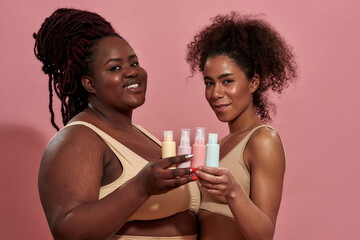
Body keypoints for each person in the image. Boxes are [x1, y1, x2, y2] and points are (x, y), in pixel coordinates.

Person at [33, 8, 200, 240]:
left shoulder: (142, 135)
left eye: (134, 63)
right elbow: (67, 230)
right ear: (89, 83)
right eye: (115, 68)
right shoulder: (78, 139)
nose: (132, 72)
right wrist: (140, 188)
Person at [186, 12, 297, 240]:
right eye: (209, 83)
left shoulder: (263, 140)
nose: (216, 93)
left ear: (253, 82)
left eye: (227, 81)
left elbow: (264, 235)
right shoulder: (219, 145)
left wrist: (233, 191)